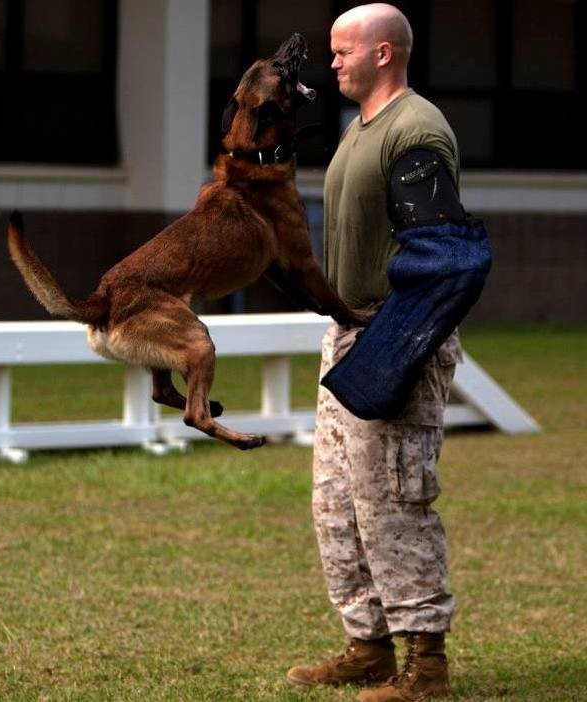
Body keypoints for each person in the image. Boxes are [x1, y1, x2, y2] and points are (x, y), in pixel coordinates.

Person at [286, 4, 467, 701]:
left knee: (394, 499)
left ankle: (425, 665)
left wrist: (402, 339)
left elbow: (443, 250)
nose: (332, 63)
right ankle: (368, 646)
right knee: (337, 502)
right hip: (348, 335)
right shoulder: (359, 128)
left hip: (395, 333)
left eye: (343, 51)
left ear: (384, 53)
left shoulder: (415, 130)